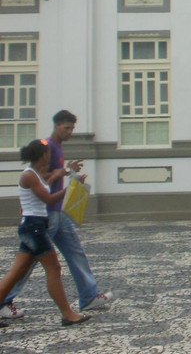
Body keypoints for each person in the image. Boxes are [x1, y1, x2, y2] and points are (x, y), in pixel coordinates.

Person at [0, 110, 112, 320]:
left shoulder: (57, 148)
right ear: (56, 125)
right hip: (45, 215)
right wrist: (68, 183)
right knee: (32, 263)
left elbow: (45, 178)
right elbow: (40, 179)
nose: (69, 132)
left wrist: (68, 171)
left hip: (55, 212)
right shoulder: (47, 147)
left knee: (74, 252)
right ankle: (7, 300)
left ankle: (88, 296)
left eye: (72, 128)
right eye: (66, 128)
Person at [0, 139, 89, 328]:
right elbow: (48, 199)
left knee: (17, 272)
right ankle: (67, 314)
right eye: (48, 153)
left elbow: (49, 180)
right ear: (42, 155)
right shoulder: (30, 175)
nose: (50, 155)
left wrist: (68, 171)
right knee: (54, 268)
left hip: (34, 226)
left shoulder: (37, 175)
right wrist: (71, 188)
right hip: (34, 228)